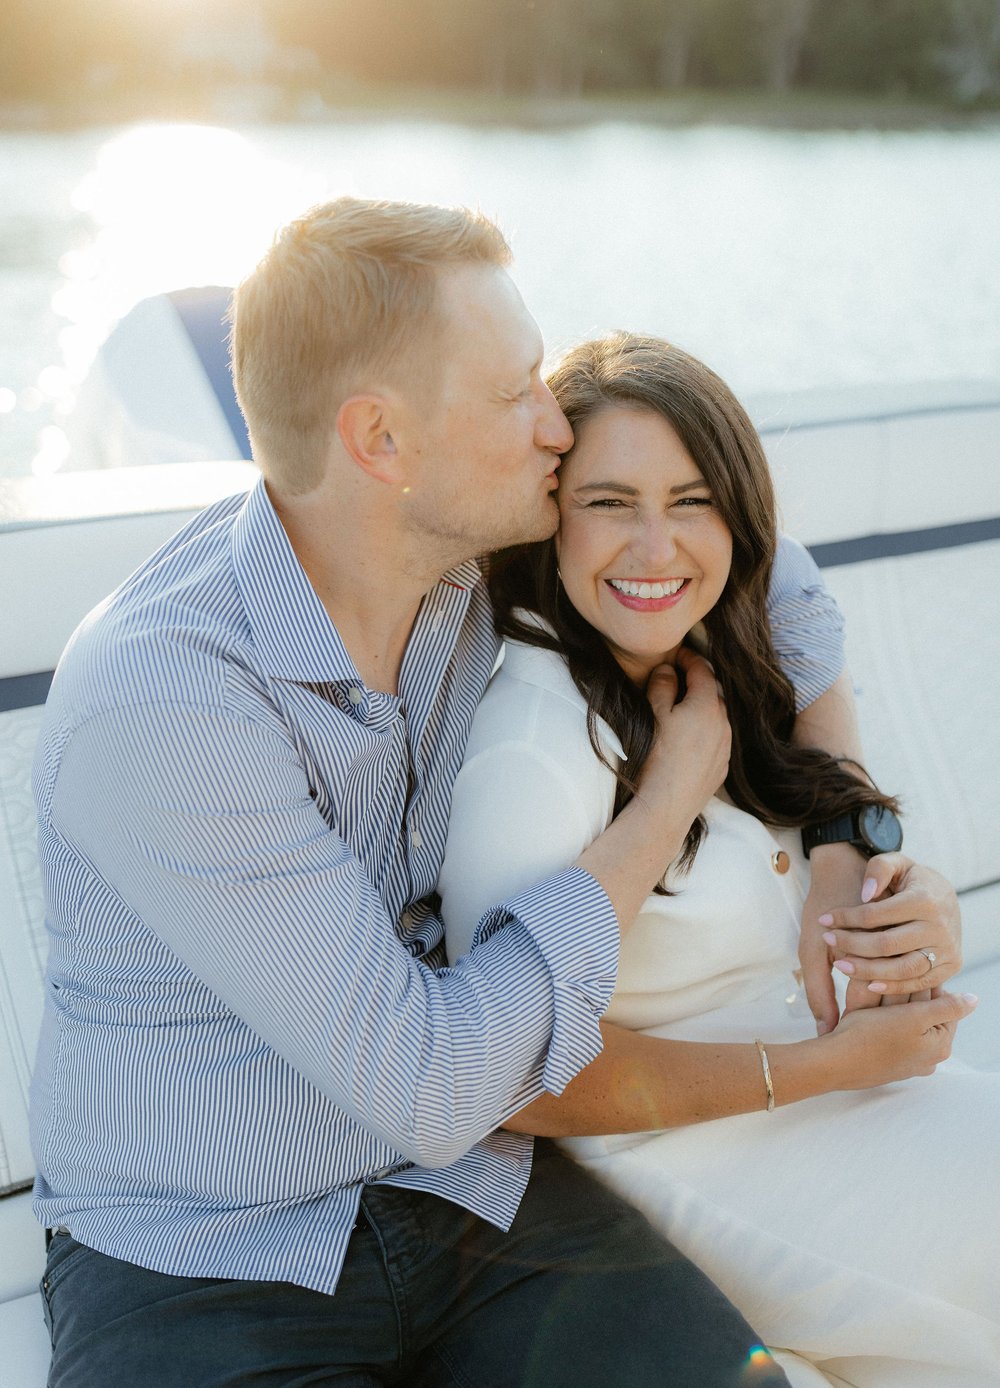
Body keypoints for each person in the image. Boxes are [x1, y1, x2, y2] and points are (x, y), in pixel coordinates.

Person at [29, 199, 956, 1388]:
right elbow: (432, 1082)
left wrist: (843, 843)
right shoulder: (167, 704)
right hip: (205, 1242)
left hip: (476, 1194)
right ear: (382, 442)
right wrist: (664, 803)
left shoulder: (472, 556)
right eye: (516, 391)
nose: (556, 424)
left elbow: (784, 583)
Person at [438, 331, 997, 1388]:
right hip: (683, 1159)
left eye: (693, 501)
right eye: (609, 502)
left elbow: (829, 846)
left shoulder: (711, 656)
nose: (656, 546)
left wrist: (907, 914)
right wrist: (831, 1067)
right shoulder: (533, 747)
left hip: (823, 1094)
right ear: (547, 516)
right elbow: (512, 1080)